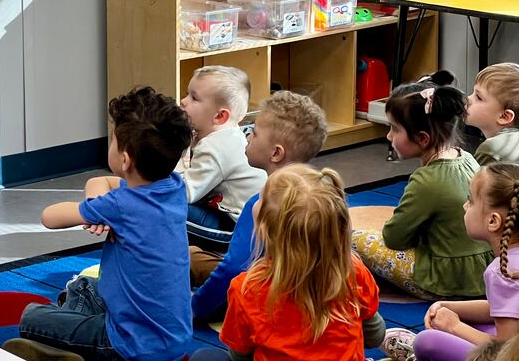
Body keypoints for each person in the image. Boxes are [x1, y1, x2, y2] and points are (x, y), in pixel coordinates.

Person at [4, 86, 194, 361]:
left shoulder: (122, 205)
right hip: (173, 339)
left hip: (130, 347)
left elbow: (50, 217)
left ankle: (73, 352)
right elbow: (99, 182)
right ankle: (69, 343)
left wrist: (98, 210)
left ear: (125, 159)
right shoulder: (173, 187)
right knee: (84, 286)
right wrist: (100, 209)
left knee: (31, 317)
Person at [352, 71, 493, 302]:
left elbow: (394, 238)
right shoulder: (468, 158)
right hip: (482, 273)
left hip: (444, 280)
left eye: (395, 129)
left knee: (353, 239)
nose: (389, 136)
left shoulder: (426, 180)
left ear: (423, 139)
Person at [217, 164, 383, 360]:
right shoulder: (353, 270)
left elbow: (240, 355)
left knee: (206, 356)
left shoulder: (247, 288)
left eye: (261, 198)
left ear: (265, 231)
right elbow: (375, 336)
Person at [189, 90, 328, 321]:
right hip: (315, 294)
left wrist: (194, 308)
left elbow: (234, 269)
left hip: (268, 299)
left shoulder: (262, 203)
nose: (247, 137)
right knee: (195, 257)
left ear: (276, 153)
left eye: (253, 132)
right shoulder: (326, 196)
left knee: (186, 258)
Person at [385, 163, 519, 361]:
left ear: (493, 221)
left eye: (470, 201)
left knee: (427, 341)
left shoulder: (502, 271)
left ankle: (414, 354)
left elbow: (505, 351)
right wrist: (449, 306)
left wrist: (453, 326)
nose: (465, 206)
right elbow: (500, 309)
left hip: (508, 354)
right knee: (472, 324)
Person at [177, 66, 266, 241]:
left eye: (194, 98)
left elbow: (185, 192)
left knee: (164, 206)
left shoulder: (216, 147)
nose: (183, 101)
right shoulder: (226, 133)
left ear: (220, 117)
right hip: (244, 219)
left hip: (236, 229)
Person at [466, 63, 519, 166]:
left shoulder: (491, 151)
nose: (468, 99)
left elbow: (473, 182)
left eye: (479, 97)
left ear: (504, 116)